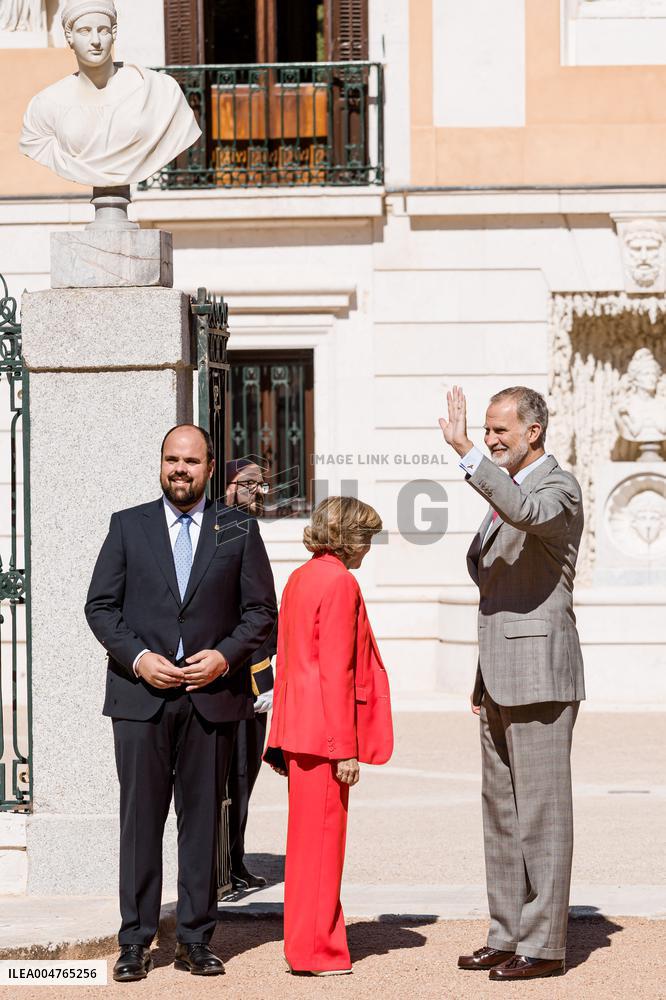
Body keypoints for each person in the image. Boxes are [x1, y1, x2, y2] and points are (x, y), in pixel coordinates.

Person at [85, 425, 277, 983]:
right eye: (172, 459)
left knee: (201, 825)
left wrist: (224, 658)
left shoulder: (237, 527)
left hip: (211, 698)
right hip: (140, 697)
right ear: (161, 462)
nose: (180, 469)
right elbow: (100, 607)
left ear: (210, 468)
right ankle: (135, 940)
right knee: (140, 822)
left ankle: (195, 939)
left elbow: (261, 611)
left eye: (191, 461)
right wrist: (138, 658)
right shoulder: (128, 525)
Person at [439, 385, 585, 982]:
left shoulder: (559, 488)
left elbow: (527, 512)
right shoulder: (507, 491)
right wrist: (482, 679)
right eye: (487, 429)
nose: (492, 438)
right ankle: (506, 934)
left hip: (542, 675)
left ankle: (545, 944)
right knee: (500, 813)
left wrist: (467, 453)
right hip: (498, 677)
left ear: (534, 432)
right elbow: (493, 585)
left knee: (542, 815)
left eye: (501, 430)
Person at [265, 496, 393, 976]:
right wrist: (345, 748)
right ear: (350, 538)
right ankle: (316, 950)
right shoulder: (340, 582)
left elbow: (290, 660)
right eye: (367, 538)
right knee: (322, 846)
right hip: (324, 734)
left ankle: (306, 944)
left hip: (300, 728)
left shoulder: (300, 577)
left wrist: (280, 735)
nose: (369, 549)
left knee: (305, 848)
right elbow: (336, 670)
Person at [19, 1, 200, 187]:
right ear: (69, 36)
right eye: (84, 31)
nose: (96, 40)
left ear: (114, 33)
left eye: (103, 30)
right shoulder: (46, 105)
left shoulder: (159, 91)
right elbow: (34, 143)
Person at [224, 458, 275, 890]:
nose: (261, 491)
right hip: (236, 677)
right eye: (251, 484)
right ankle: (225, 865)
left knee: (243, 778)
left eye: (262, 484)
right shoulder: (233, 529)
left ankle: (232, 860)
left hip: (251, 676)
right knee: (232, 776)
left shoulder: (243, 528)